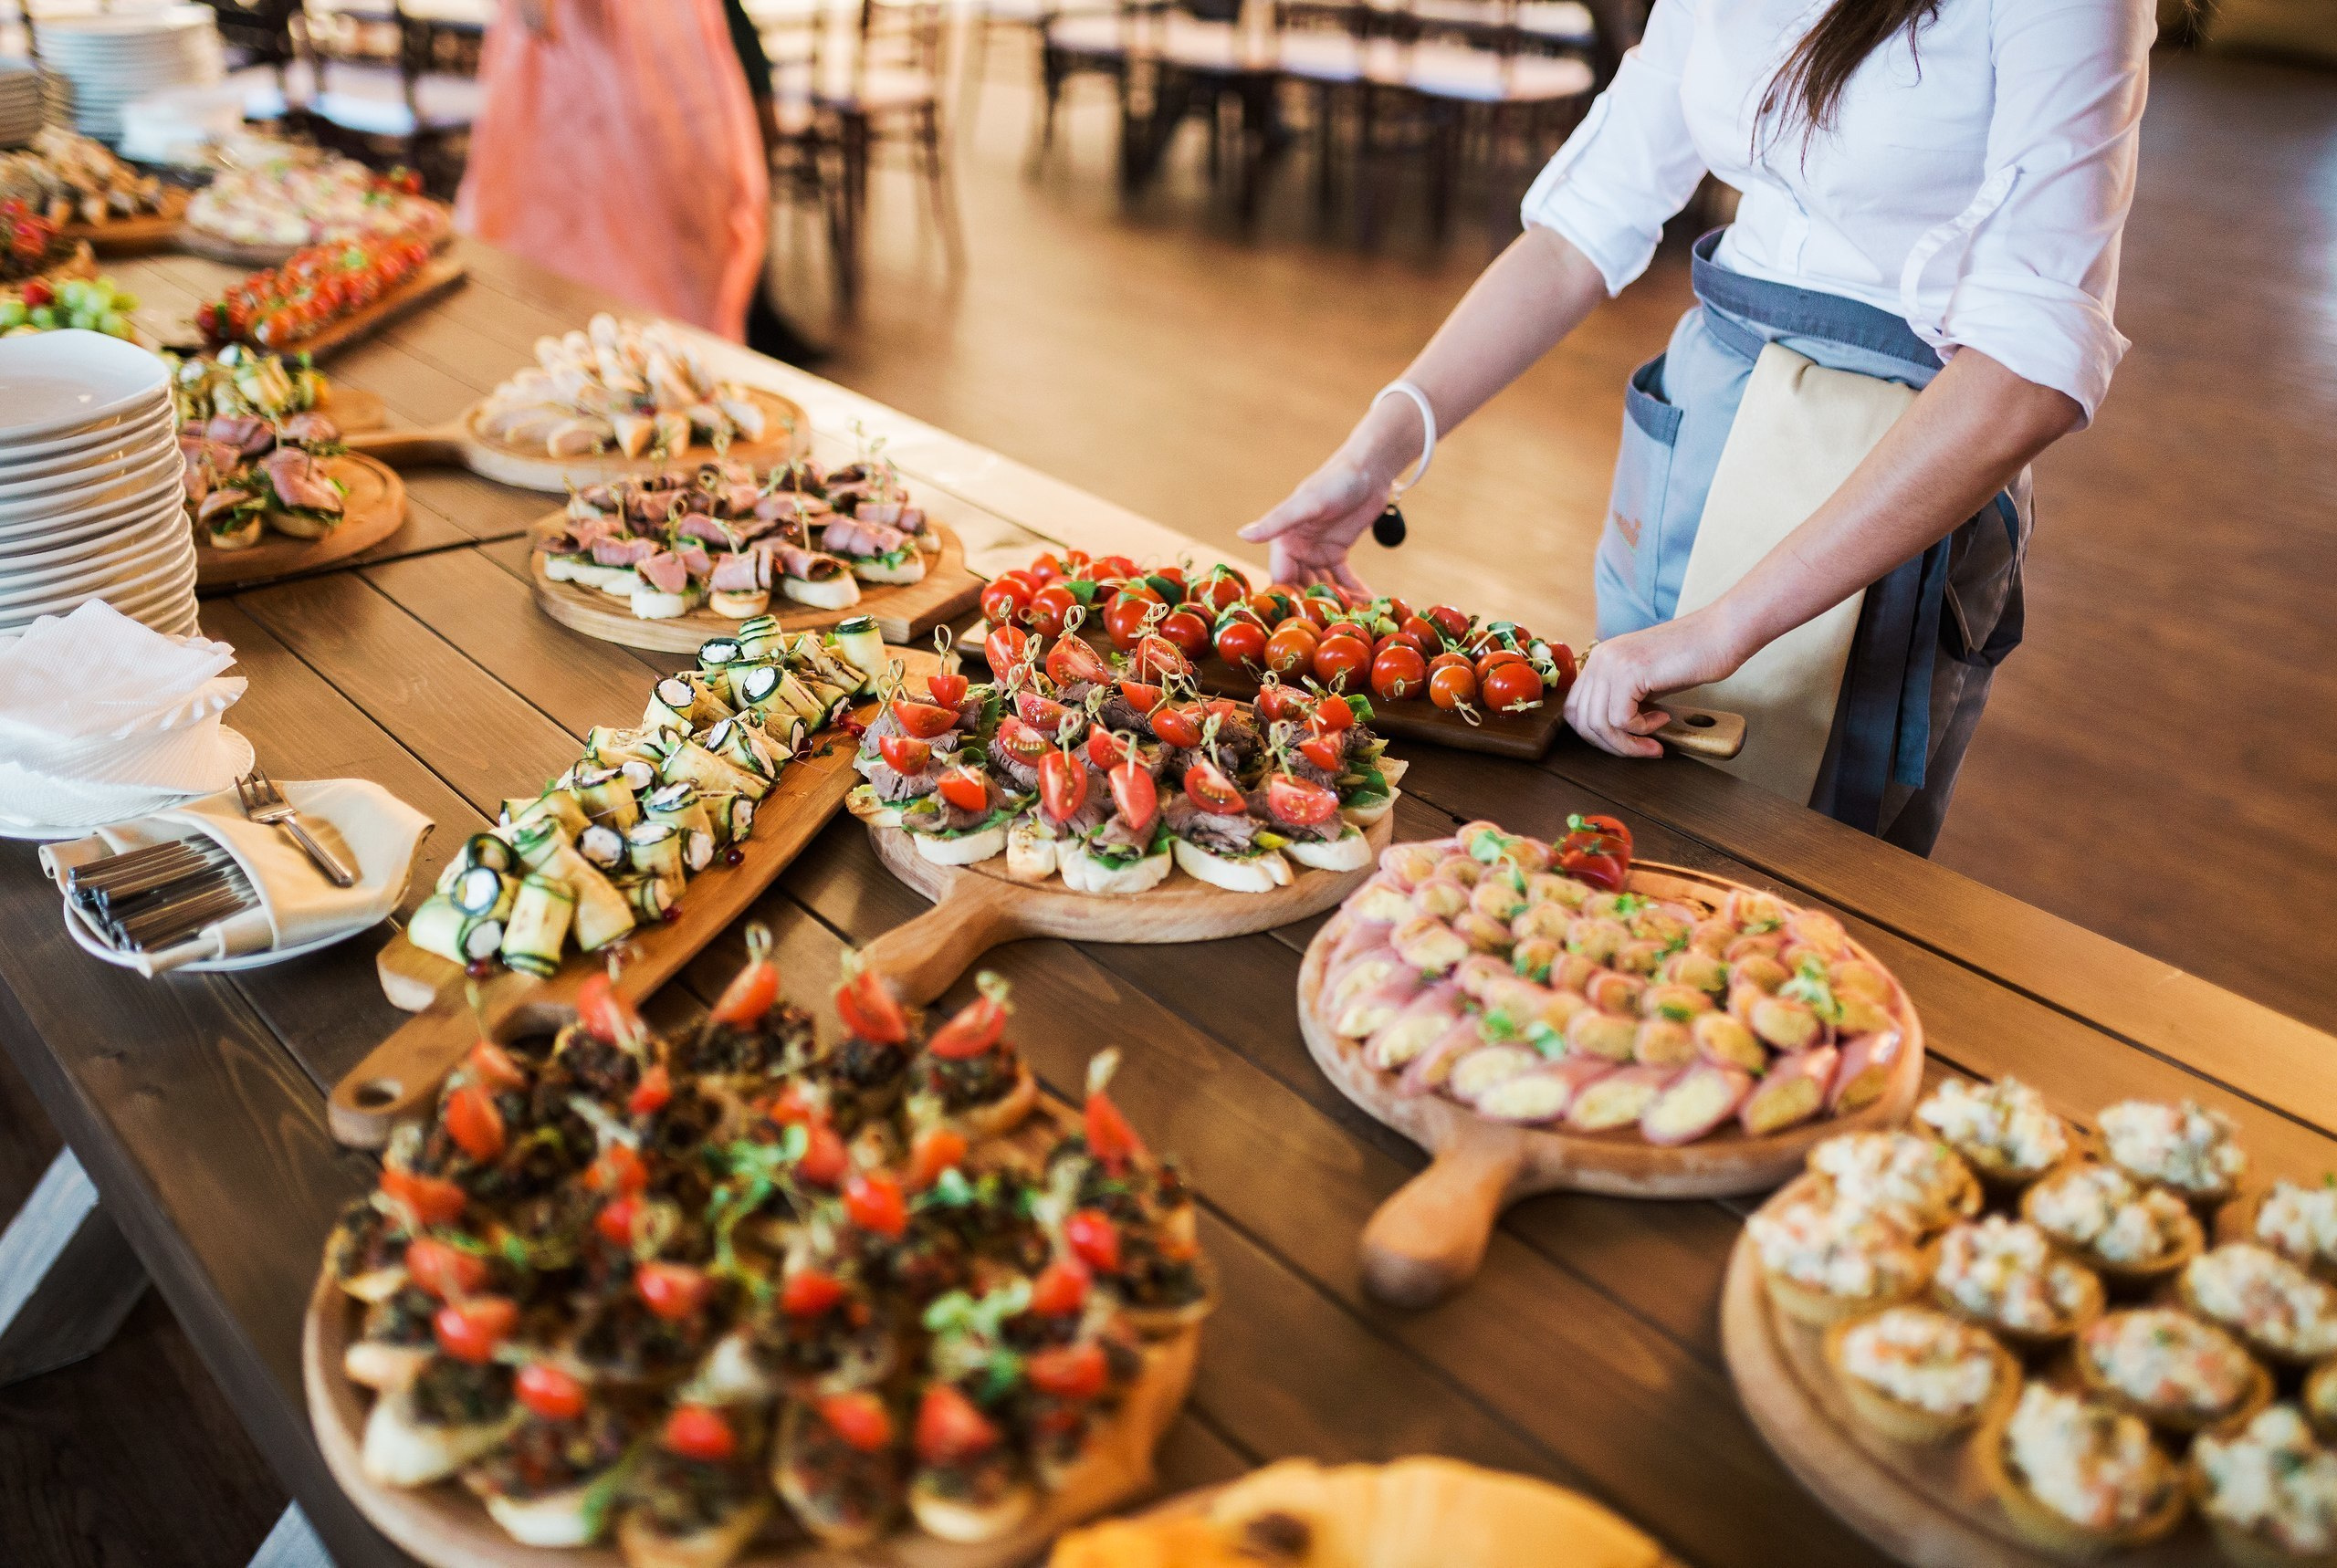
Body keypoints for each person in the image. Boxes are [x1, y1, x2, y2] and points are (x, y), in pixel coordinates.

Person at [1242, 0, 2154, 852]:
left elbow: (2025, 369)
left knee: (1785, 857)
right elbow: (1581, 225)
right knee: (1631, 805)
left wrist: (1724, 627)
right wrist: (1380, 450)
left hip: (1890, 473)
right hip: (1700, 424)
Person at [457, 0, 769, 340]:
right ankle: (593, 350)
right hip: (582, 39)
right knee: (577, 227)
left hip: (661, 30)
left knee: (686, 209)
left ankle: (674, 347)